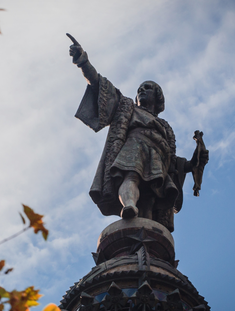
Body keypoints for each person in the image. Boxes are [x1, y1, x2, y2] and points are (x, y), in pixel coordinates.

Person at [68, 33, 208, 232]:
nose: (142, 90)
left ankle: (147, 226)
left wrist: (194, 161)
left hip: (158, 155)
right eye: (140, 88)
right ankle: (129, 206)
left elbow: (175, 164)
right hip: (135, 145)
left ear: (158, 98)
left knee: (152, 196)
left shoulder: (165, 128)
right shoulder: (127, 107)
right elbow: (100, 85)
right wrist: (83, 62)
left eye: (148, 88)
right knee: (130, 177)